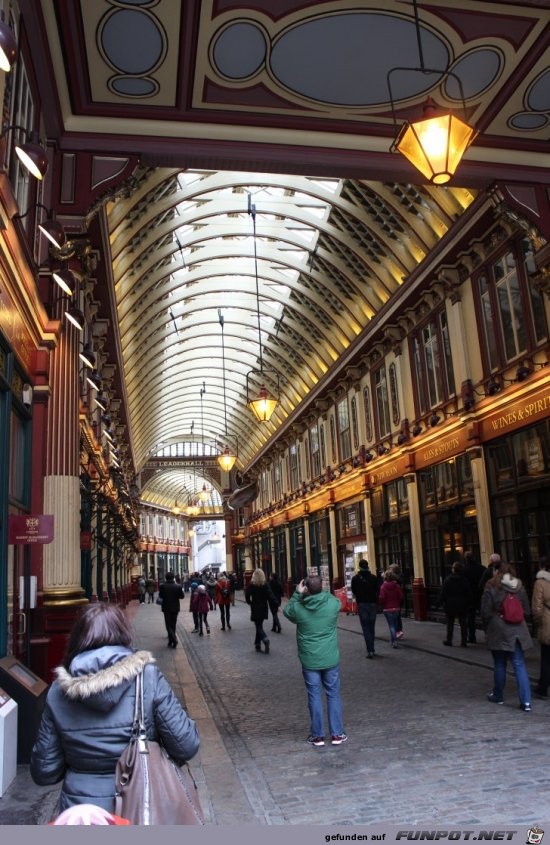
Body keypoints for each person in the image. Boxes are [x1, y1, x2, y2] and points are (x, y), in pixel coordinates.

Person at [30, 602, 200, 813]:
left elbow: (44, 771)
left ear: (77, 638)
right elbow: (186, 745)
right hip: (141, 806)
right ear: (124, 634)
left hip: (82, 811)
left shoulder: (58, 691)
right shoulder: (147, 678)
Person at [283, 575, 347, 747]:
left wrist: (298, 594)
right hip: (330, 658)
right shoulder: (332, 604)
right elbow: (338, 601)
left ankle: (317, 736)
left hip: (309, 659)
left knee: (314, 696)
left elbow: (287, 611)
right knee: (333, 694)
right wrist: (321, 592)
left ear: (306, 589)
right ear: (322, 587)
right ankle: (337, 734)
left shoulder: (299, 609)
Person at [480, 562, 533, 711]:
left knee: (500, 663)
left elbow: (485, 612)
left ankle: (498, 695)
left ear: (496, 572)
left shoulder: (491, 587)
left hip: (498, 629)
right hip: (517, 630)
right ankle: (526, 701)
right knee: (519, 664)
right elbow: (527, 611)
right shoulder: (519, 588)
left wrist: (488, 628)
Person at [351, 559, 379, 658]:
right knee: (372, 627)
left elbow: (354, 591)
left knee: (366, 628)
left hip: (362, 604)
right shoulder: (374, 578)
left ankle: (370, 650)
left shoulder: (355, 579)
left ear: (359, 567)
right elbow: (377, 589)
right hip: (372, 604)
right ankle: (372, 648)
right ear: (367, 566)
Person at [440, 561, 472, 647]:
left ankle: (449, 640)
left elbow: (443, 593)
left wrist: (440, 603)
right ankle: (464, 641)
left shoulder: (447, 580)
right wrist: (468, 603)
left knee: (450, 623)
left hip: (450, 604)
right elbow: (468, 593)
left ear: (453, 569)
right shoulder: (464, 580)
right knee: (463, 624)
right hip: (462, 604)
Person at [531, 556, 550, 699]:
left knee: (546, 657)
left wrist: (537, 623)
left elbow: (537, 608)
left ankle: (543, 687)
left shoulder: (540, 583)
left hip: (547, 623)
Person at [245, 568, 272, 653]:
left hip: (255, 607)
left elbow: (247, 594)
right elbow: (270, 595)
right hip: (263, 607)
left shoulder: (252, 584)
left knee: (258, 626)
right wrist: (276, 604)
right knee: (259, 625)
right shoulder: (265, 584)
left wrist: (249, 602)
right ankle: (257, 644)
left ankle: (265, 639)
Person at [463, 551, 485, 643]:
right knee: (485, 617)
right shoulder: (482, 568)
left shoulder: (464, 570)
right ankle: (490, 636)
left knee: (470, 618)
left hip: (469, 597)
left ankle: (472, 637)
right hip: (480, 595)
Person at [378, 569, 404, 649]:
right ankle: (394, 640)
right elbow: (401, 597)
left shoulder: (383, 587)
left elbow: (382, 598)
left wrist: (381, 603)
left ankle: (394, 641)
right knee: (395, 625)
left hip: (387, 609)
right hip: (396, 608)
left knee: (391, 626)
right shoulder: (397, 586)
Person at [158, 571, 184, 648]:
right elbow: (182, 596)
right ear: (173, 578)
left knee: (168, 624)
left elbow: (160, 596)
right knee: (173, 624)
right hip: (175, 608)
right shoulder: (178, 586)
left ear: (166, 578)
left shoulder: (162, 586)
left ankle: (173, 640)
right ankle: (171, 640)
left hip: (166, 608)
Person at [388, 562, 404, 639]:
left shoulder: (397, 577)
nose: (389, 570)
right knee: (396, 617)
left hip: (395, 600)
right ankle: (398, 631)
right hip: (393, 600)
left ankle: (397, 632)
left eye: (391, 569)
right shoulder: (390, 579)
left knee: (396, 617)